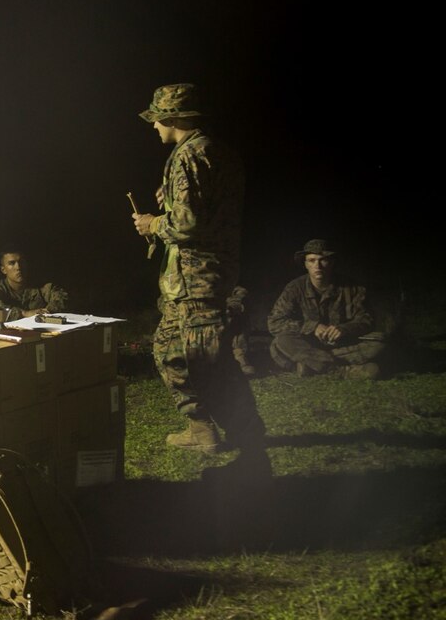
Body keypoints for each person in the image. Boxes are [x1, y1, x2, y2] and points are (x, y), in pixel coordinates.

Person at [131, 83, 266, 456]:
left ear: (171, 117)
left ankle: (248, 434)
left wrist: (154, 224)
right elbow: (207, 207)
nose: (154, 126)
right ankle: (200, 426)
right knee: (167, 351)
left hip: (197, 279)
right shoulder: (216, 152)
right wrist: (171, 200)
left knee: (206, 361)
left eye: (156, 119)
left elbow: (189, 223)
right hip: (197, 277)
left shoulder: (188, 155)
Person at [267, 239, 385, 379]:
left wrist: (344, 329)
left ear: (332, 262)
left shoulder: (352, 287)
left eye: (323, 260)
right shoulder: (294, 288)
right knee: (281, 341)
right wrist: (312, 327)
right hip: (307, 344)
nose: (317, 266)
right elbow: (274, 323)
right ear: (305, 264)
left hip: (340, 344)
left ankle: (310, 366)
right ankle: (341, 371)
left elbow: (366, 319)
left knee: (379, 342)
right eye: (311, 260)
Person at [0, 248, 67, 330]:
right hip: (5, 340)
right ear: (3, 270)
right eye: (12, 263)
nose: (18, 267)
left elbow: (61, 296)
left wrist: (47, 313)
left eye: (21, 262)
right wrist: (24, 314)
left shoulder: (40, 287)